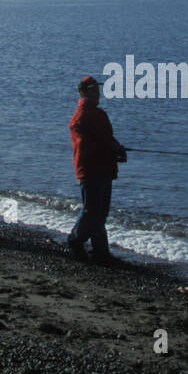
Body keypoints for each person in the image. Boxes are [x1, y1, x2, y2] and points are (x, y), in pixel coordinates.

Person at [67, 75, 127, 265]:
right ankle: (75, 241)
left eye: (97, 89)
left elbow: (106, 138)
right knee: (91, 211)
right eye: (93, 89)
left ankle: (100, 252)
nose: (97, 93)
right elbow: (94, 143)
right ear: (84, 92)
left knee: (100, 213)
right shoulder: (82, 116)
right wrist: (114, 149)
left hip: (102, 169)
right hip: (91, 170)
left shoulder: (97, 114)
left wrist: (117, 149)